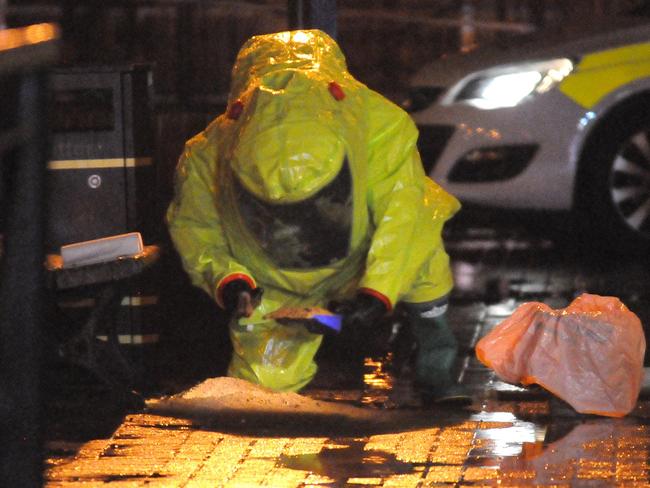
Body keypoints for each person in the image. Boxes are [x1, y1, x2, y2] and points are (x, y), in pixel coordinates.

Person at [166, 29, 464, 401]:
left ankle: (436, 365)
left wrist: (377, 295)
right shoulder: (205, 157)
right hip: (272, 287)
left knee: (423, 236)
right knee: (258, 397)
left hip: (362, 263)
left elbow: (403, 221)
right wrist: (232, 282)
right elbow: (199, 232)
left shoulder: (379, 127)